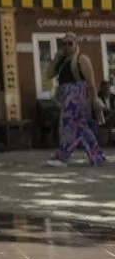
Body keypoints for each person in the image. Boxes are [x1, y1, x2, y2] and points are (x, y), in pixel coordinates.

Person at [46, 32, 105, 167]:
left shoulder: (81, 59)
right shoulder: (62, 62)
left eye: (70, 43)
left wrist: (95, 99)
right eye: (64, 44)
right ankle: (97, 154)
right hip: (66, 95)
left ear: (76, 44)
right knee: (80, 126)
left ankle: (63, 156)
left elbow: (90, 82)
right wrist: (56, 58)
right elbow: (49, 75)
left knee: (67, 124)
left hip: (78, 96)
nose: (67, 46)